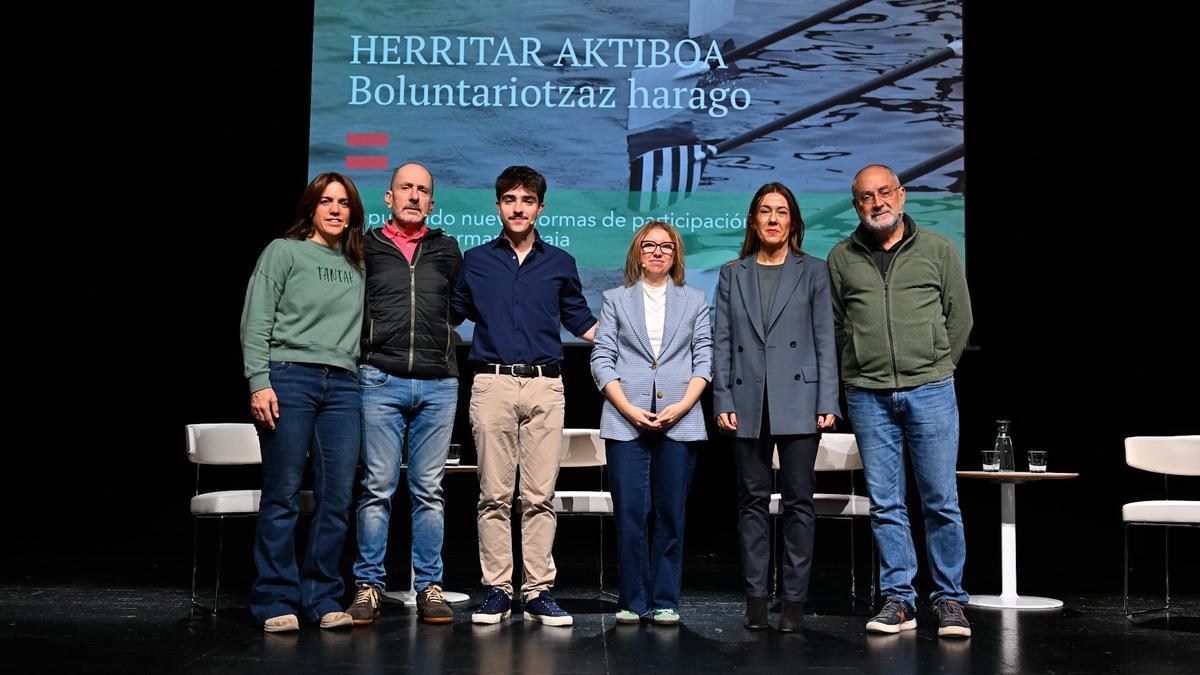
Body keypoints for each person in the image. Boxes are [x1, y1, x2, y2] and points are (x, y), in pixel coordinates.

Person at [827, 164, 974, 638]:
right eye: (866, 197)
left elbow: (960, 317)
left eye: (884, 192)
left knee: (940, 500)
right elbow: (834, 327)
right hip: (868, 395)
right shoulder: (841, 257)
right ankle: (899, 600)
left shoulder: (938, 249)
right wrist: (854, 374)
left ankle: (950, 599)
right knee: (886, 503)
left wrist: (936, 366)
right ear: (857, 205)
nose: (877, 202)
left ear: (902, 195)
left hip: (930, 389)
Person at [450, 166, 598, 627]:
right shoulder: (474, 261)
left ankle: (537, 590)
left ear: (540, 208)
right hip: (492, 382)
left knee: (539, 495)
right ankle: (497, 587)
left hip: (545, 385)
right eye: (510, 199)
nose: (518, 207)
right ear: (498, 206)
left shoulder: (559, 263)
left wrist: (640, 346)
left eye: (527, 200)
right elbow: (448, 317)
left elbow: (582, 322)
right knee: (493, 494)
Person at [240, 172, 366, 632]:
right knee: (284, 494)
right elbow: (256, 320)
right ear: (310, 207)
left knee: (337, 497)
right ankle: (274, 598)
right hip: (289, 378)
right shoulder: (283, 251)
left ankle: (322, 595)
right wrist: (259, 381)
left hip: (345, 386)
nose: (335, 209)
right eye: (325, 201)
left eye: (344, 202)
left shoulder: (358, 262)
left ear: (353, 211)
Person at [712, 182, 839, 632]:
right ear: (753, 220)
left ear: (792, 222)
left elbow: (826, 337)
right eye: (765, 211)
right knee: (752, 502)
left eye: (781, 212)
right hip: (747, 400)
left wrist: (828, 398)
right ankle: (754, 599)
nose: (772, 219)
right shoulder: (733, 273)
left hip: (801, 399)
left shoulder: (814, 271)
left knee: (799, 503)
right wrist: (722, 396)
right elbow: (722, 342)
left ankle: (794, 602)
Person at [344, 163, 462, 626]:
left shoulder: (448, 248)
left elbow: (459, 308)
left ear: (432, 202)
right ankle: (369, 586)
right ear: (389, 198)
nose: (414, 195)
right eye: (405, 188)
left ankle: (429, 585)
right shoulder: (365, 247)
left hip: (438, 382)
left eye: (423, 190)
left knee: (429, 491)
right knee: (377, 489)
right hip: (379, 378)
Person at [589, 221, 712, 626]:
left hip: (681, 421)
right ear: (637, 253)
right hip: (626, 422)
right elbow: (601, 360)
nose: (657, 252)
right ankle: (633, 599)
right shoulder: (615, 299)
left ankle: (665, 600)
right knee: (630, 514)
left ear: (676, 254)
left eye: (666, 246)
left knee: (671, 515)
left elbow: (704, 361)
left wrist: (682, 406)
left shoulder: (694, 301)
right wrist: (627, 407)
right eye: (649, 246)